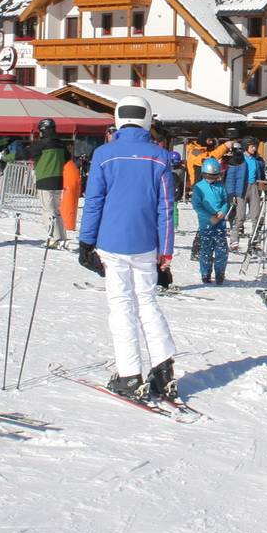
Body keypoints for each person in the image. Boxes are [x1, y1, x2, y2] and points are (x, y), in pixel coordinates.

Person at [77, 95, 179, 400]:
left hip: (111, 242)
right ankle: (164, 370)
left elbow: (94, 201)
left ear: (119, 118)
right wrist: (166, 252)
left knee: (121, 306)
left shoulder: (104, 155)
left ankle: (129, 374)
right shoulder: (160, 157)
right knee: (147, 303)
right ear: (147, 119)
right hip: (146, 244)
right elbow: (166, 208)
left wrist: (86, 243)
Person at [26, 118, 70, 248]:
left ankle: (54, 239)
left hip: (45, 179)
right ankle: (62, 237)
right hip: (58, 179)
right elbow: (67, 158)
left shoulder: (42, 144)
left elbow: (25, 153)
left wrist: (6, 157)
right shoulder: (60, 144)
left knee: (48, 210)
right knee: (56, 210)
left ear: (43, 130)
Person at [191, 157, 230, 284]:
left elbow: (225, 201)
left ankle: (220, 273)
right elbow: (197, 205)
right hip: (206, 224)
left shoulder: (220, 186)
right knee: (206, 250)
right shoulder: (199, 187)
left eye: (214, 176)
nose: (212, 179)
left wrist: (222, 212)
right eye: (209, 176)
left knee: (221, 250)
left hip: (220, 222)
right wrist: (209, 217)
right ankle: (205, 273)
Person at [222, 142, 249, 252]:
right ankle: (229, 238)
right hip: (230, 192)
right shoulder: (229, 162)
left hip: (240, 192)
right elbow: (228, 179)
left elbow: (241, 178)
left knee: (240, 215)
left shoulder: (243, 162)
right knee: (229, 214)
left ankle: (234, 238)